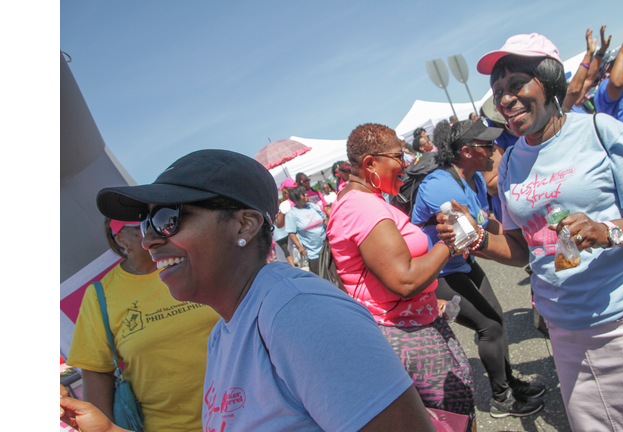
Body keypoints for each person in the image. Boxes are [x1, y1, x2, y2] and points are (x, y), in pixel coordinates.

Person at [89, 149, 435, 432]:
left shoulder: (301, 314)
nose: (149, 239)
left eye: (168, 218)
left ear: (245, 224)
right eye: (147, 224)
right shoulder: (224, 332)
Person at [451, 32, 623, 430]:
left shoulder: (600, 130)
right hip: (565, 330)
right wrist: (477, 240)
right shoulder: (511, 162)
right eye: (498, 92)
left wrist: (606, 231)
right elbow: (521, 246)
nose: (505, 99)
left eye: (516, 85)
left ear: (548, 83)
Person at [327, 123, 476, 431]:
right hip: (404, 336)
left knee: (450, 415)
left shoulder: (364, 201)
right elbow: (404, 280)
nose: (406, 163)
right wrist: (450, 243)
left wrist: (431, 299)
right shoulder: (362, 207)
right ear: (370, 164)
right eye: (398, 156)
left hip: (409, 326)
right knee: (453, 419)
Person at [411, 119, 545, 418]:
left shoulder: (476, 178)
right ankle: (500, 398)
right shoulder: (441, 187)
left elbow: (484, 223)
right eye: (488, 145)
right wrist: (517, 253)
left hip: (463, 262)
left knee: (496, 320)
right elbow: (470, 237)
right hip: (440, 272)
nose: (494, 150)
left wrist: (523, 235)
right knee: (490, 327)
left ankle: (508, 382)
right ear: (467, 151)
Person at [67, 218, 220, 432]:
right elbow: (96, 373)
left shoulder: (195, 265)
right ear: (120, 239)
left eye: (158, 223)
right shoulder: (101, 295)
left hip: (250, 413)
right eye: (140, 228)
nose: (154, 233)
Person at [285, 185, 327, 275]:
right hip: (312, 252)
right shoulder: (292, 213)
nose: (306, 195)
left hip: (326, 246)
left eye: (305, 193)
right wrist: (300, 246)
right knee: (320, 274)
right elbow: (291, 233)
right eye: (303, 194)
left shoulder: (312, 206)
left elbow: (324, 220)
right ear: (296, 198)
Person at [274, 178, 297, 267]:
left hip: (292, 237)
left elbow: (279, 224)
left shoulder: (285, 204)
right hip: (295, 239)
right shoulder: (286, 204)